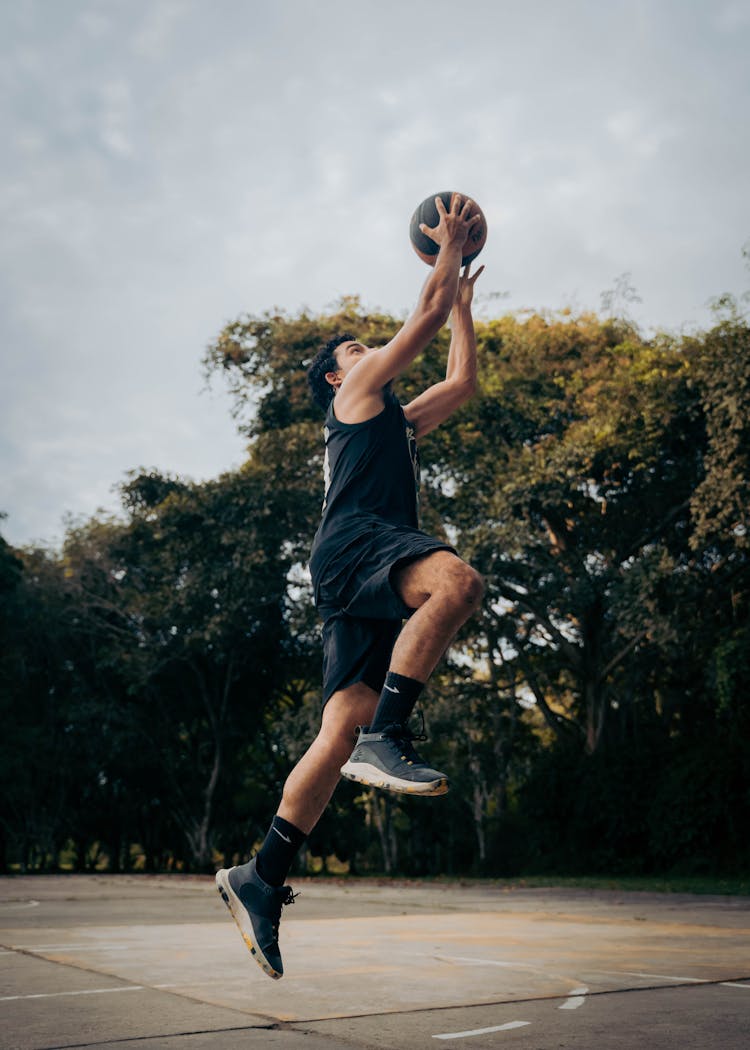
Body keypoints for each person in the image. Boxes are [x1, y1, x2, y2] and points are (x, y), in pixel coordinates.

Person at [216, 193, 485, 980]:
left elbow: (460, 380)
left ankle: (261, 876)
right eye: (360, 346)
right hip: (359, 545)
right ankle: (389, 740)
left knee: (340, 728)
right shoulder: (356, 397)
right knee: (457, 584)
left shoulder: (396, 421)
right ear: (339, 372)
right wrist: (449, 253)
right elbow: (424, 314)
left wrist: (462, 297)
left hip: (352, 566)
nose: (373, 350)